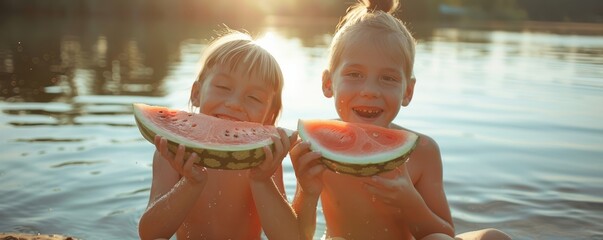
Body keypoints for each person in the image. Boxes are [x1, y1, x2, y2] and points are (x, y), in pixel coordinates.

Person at [290, 0, 512, 240]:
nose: (370, 90)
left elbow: (444, 233)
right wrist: (307, 194)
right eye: (354, 74)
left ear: (408, 91)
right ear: (328, 83)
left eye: (388, 78)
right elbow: (296, 235)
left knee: (493, 237)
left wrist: (409, 201)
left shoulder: (423, 151)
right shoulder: (315, 148)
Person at [138, 28, 301, 240]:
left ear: (269, 117)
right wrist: (191, 182)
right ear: (196, 94)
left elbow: (288, 238)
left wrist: (262, 180)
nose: (234, 104)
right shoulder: (171, 151)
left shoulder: (266, 161)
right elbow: (150, 234)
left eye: (254, 98)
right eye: (223, 87)